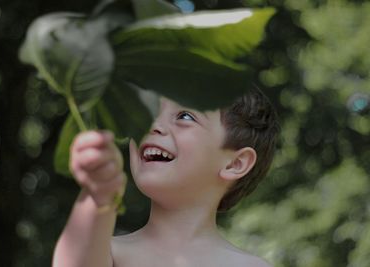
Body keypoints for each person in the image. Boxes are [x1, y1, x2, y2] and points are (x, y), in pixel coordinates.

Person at [53, 88, 280, 267]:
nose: (152, 125)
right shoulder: (110, 255)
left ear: (234, 163)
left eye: (185, 116)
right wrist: (99, 196)